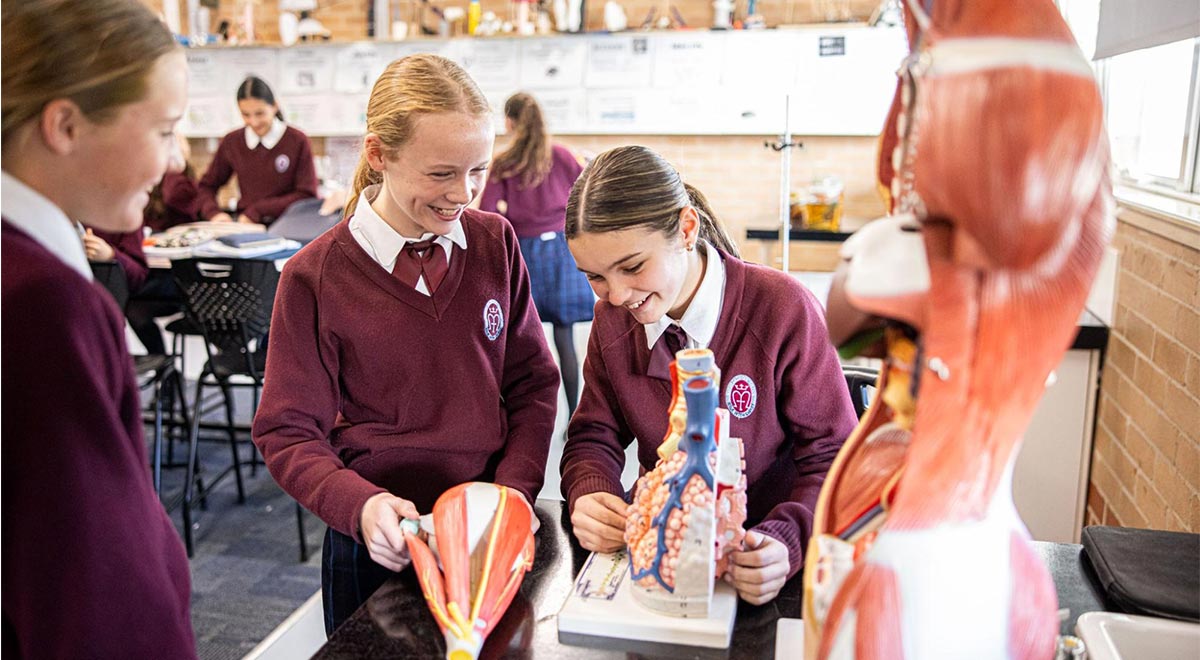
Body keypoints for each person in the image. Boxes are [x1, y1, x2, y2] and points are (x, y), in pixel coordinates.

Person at [251, 54, 560, 635]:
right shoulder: (313, 278)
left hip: (491, 529)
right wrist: (361, 505)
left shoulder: (495, 243)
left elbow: (533, 384)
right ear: (378, 155)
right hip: (376, 545)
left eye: (478, 170)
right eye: (442, 174)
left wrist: (513, 492)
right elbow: (287, 431)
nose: (464, 193)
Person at [559, 146, 858, 606]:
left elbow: (834, 455)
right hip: (664, 559)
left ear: (686, 229)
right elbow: (594, 433)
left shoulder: (783, 309)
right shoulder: (612, 320)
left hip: (761, 563)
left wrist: (788, 536)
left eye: (633, 266)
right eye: (594, 276)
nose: (616, 294)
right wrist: (591, 491)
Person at [1, 0, 196, 656]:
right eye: (164, 130)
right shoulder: (43, 302)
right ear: (65, 124)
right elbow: (91, 582)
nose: (174, 163)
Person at [480, 92, 594, 418]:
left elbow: (488, 211)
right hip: (561, 251)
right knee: (565, 337)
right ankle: (575, 417)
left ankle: (521, 419)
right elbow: (584, 195)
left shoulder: (504, 162)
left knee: (519, 340)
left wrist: (514, 222)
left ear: (510, 122)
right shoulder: (560, 155)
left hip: (524, 253)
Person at [197, 75, 318, 225]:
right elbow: (206, 186)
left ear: (274, 106)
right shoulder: (232, 141)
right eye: (245, 115)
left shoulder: (297, 140)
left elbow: (307, 194)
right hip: (247, 226)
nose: (253, 122)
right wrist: (214, 213)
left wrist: (258, 210)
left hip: (289, 225)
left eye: (260, 113)